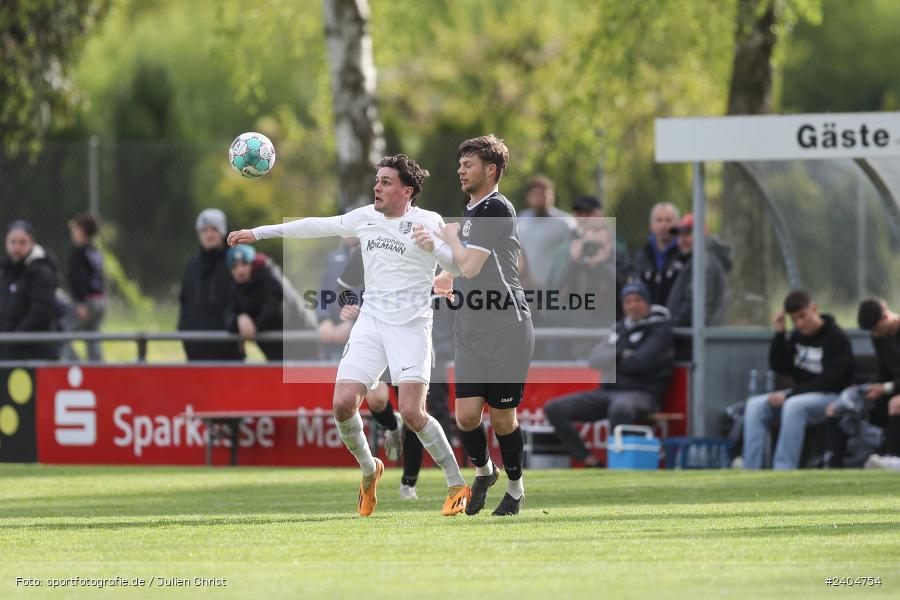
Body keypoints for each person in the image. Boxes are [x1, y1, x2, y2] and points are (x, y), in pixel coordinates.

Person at [228, 154, 470, 517]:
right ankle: (370, 469)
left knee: (412, 412)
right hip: (371, 323)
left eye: (386, 181)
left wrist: (433, 247)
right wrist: (259, 233)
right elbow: (315, 225)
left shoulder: (428, 221)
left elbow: (457, 266)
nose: (377, 186)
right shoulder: (365, 218)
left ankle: (455, 483)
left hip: (411, 327)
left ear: (407, 191)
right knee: (342, 404)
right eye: (377, 180)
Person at [415, 134, 534, 516]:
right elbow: (467, 270)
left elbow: (469, 263)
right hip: (469, 327)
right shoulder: (471, 210)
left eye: (469, 164)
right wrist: (451, 280)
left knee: (502, 418)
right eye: (460, 164)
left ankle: (515, 490)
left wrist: (443, 241)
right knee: (465, 416)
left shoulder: (497, 208)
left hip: (507, 328)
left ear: (492, 169)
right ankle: (485, 471)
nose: (460, 170)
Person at [543, 281, 674, 467]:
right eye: (628, 301)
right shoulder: (619, 328)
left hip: (642, 393)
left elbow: (638, 363)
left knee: (619, 408)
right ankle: (588, 459)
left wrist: (615, 358)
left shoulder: (660, 329)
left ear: (647, 303)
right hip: (607, 391)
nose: (633, 305)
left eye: (638, 300)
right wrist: (623, 352)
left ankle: (618, 462)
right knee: (554, 408)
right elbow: (595, 360)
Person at [742, 290, 854, 470]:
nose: (800, 323)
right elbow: (779, 367)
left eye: (803, 316)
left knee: (793, 406)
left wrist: (789, 395)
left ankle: (783, 469)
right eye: (794, 319)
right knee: (755, 405)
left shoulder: (836, 337)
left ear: (814, 309)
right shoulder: (797, 336)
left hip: (832, 397)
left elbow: (831, 381)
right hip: (800, 394)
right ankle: (750, 469)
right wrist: (780, 333)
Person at [825, 298, 900, 469]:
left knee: (896, 404)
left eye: (876, 328)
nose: (875, 334)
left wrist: (886, 388)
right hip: (892, 389)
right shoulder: (880, 338)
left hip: (894, 394)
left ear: (886, 318)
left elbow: (888, 383)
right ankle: (832, 466)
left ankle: (893, 459)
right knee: (839, 406)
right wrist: (865, 388)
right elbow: (884, 373)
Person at [178, 209, 243, 361]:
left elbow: (244, 297)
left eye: (214, 229)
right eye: (204, 230)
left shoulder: (235, 263)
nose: (209, 234)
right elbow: (184, 301)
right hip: (195, 347)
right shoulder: (192, 265)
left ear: (223, 232)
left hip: (228, 347)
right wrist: (184, 332)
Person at [0, 221, 61, 361]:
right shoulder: (7, 272)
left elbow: (41, 312)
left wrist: (14, 339)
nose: (16, 247)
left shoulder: (41, 272)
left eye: (22, 242)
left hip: (32, 353)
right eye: (12, 242)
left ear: (32, 243)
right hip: (9, 352)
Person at [664, 213, 732, 327]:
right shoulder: (696, 259)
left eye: (687, 234)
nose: (682, 240)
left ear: (703, 233)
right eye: (679, 235)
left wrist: (670, 326)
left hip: (701, 339)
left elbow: (695, 305)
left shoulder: (706, 261)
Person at [224, 244, 286, 361]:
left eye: (244, 264)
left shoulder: (271, 280)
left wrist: (253, 325)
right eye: (235, 266)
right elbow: (228, 313)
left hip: (297, 345)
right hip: (273, 351)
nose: (240, 270)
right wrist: (239, 318)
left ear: (252, 265)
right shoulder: (235, 286)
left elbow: (273, 311)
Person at [515, 175, 576, 289]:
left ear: (552, 195)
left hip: (556, 286)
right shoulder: (519, 220)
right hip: (525, 285)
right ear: (528, 196)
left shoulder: (565, 223)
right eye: (535, 194)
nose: (539, 197)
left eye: (543, 193)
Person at [66, 213, 106, 361]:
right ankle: (98, 369)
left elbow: (79, 279)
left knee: (62, 334)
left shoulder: (79, 252)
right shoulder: (94, 251)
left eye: (75, 229)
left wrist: (80, 302)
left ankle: (77, 365)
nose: (72, 233)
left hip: (86, 301)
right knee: (92, 337)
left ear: (82, 231)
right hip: (100, 300)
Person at [316, 236, 362, 360]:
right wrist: (324, 319)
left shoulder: (375, 257)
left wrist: (353, 325)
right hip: (333, 341)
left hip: (364, 338)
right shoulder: (332, 258)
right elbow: (323, 292)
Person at [632, 202, 682, 306]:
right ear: (651, 225)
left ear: (678, 225)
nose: (664, 225)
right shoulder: (641, 256)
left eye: (669, 220)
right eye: (659, 220)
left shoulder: (684, 255)